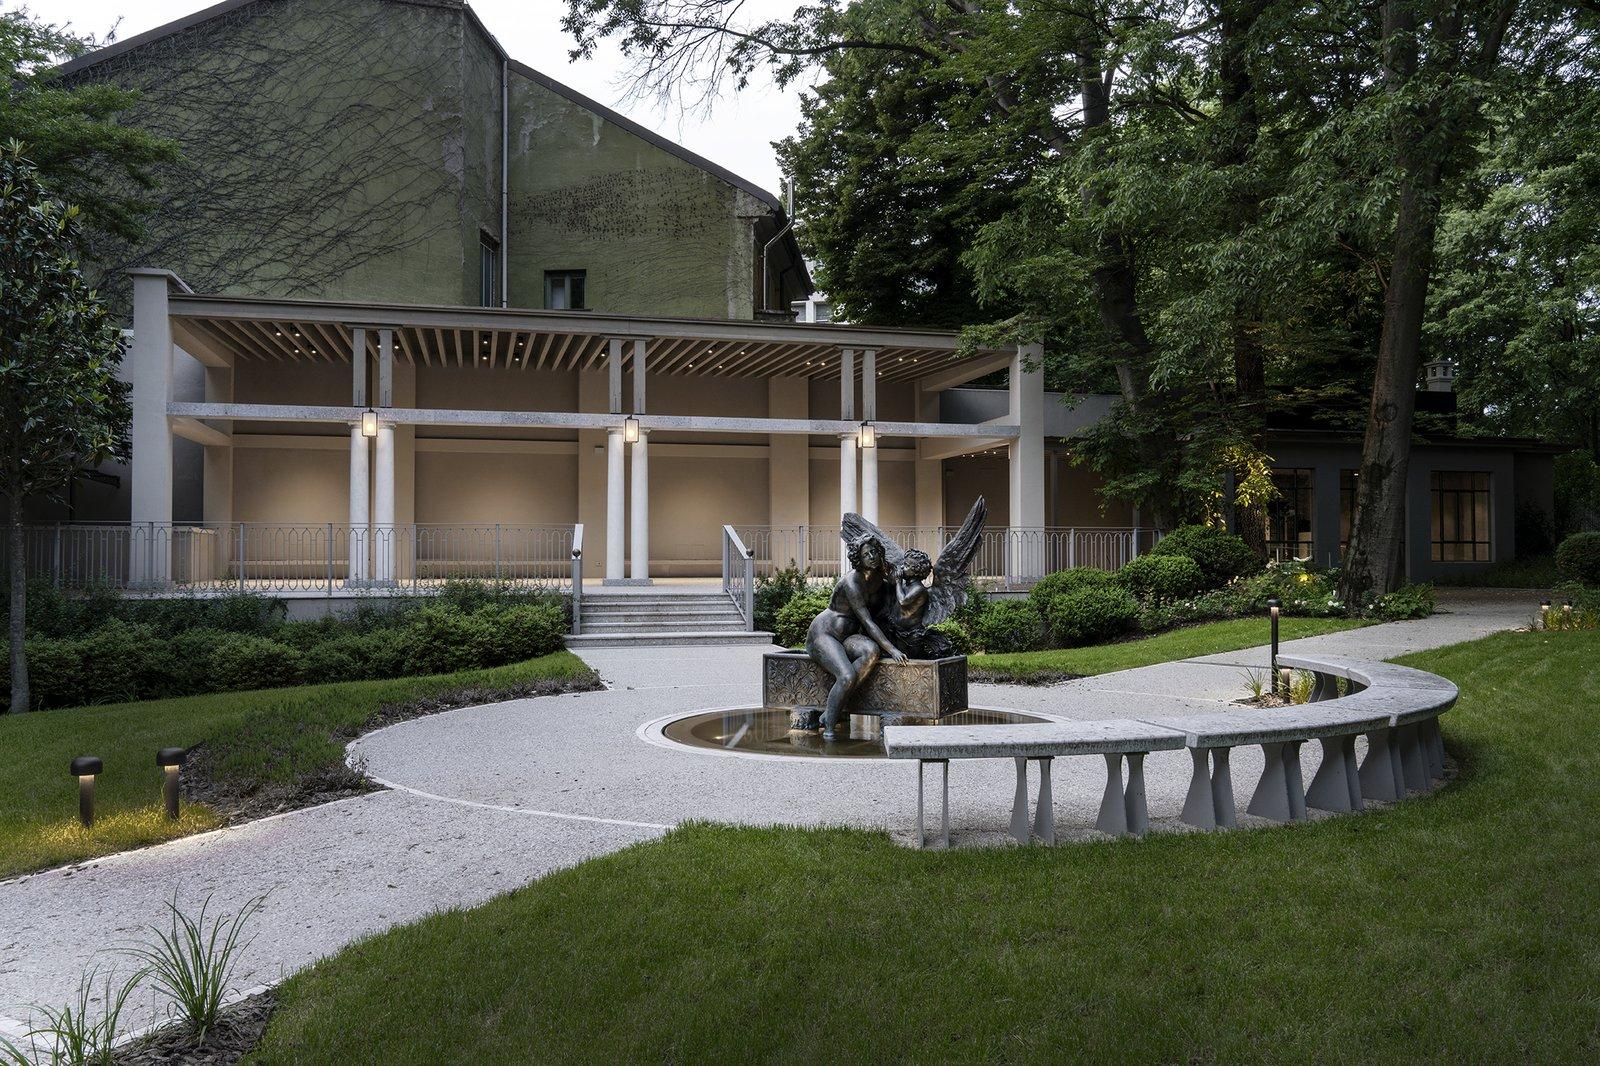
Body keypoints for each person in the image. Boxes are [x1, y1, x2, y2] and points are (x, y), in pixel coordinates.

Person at [805, 534, 906, 738]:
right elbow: (868, 622)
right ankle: (829, 726)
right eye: (866, 554)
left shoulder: (878, 578)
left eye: (874, 552)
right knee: (847, 676)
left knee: (871, 651)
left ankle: (833, 706)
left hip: (848, 635)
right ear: (858, 559)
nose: (872, 557)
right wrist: (892, 649)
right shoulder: (852, 582)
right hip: (824, 634)